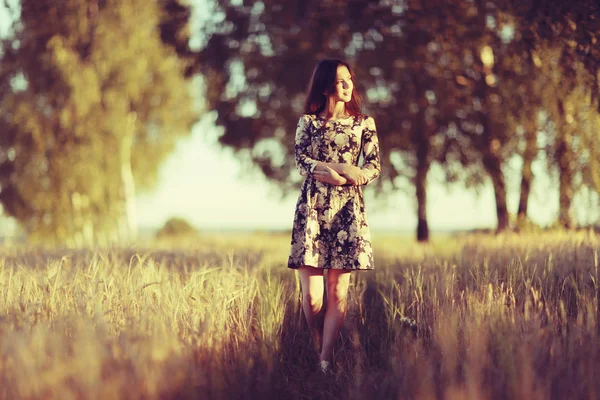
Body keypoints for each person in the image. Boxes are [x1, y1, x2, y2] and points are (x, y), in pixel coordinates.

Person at [287, 59, 381, 375]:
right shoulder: (308, 123)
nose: (347, 85)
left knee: (338, 291)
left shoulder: (364, 123)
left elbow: (373, 167)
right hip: (312, 209)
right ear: (327, 86)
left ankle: (325, 361)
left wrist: (354, 177)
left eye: (349, 79)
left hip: (348, 211)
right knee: (312, 297)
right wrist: (339, 170)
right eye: (340, 81)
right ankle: (316, 346)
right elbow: (302, 162)